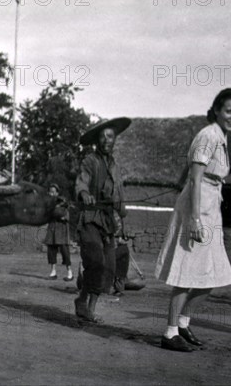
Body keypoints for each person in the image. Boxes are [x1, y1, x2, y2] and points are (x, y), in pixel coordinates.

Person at [155, 88, 231, 352]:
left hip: (210, 204)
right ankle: (170, 332)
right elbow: (196, 178)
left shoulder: (220, 136)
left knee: (211, 276)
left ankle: (183, 323)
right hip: (198, 208)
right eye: (229, 111)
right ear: (217, 110)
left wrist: (180, 182)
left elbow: (191, 172)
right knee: (186, 274)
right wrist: (194, 219)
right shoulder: (208, 135)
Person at [74, 117, 130, 323]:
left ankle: (89, 308)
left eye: (111, 136)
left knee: (108, 266)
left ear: (115, 140)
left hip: (108, 221)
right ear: (97, 140)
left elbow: (120, 197)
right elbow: (82, 181)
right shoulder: (90, 161)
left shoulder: (115, 166)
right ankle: (81, 300)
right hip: (90, 218)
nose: (107, 140)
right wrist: (84, 194)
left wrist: (122, 221)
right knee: (95, 261)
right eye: (102, 136)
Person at [43, 183, 73, 281]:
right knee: (51, 250)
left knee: (65, 252)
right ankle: (53, 272)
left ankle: (69, 272)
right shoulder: (48, 204)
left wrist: (59, 212)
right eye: (50, 192)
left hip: (61, 229)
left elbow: (66, 216)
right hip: (52, 228)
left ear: (57, 193)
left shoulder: (63, 202)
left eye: (53, 192)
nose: (51, 194)